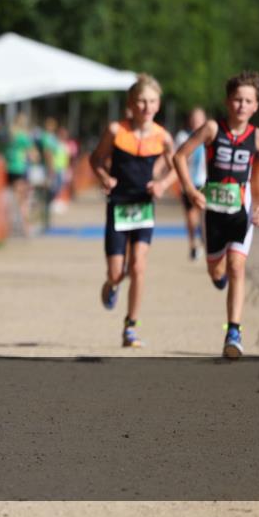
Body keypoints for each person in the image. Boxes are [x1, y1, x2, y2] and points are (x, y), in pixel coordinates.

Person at [173, 70, 259, 359]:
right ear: (227, 102)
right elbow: (179, 156)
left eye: (248, 101)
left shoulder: (258, 137)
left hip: (241, 212)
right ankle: (217, 275)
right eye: (237, 100)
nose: (242, 106)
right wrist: (190, 190)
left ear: (256, 106)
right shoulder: (211, 129)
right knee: (217, 271)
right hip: (214, 214)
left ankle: (233, 331)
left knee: (237, 266)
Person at [89, 75, 175, 348]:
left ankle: (130, 326)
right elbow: (96, 159)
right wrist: (104, 177)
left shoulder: (163, 137)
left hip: (144, 207)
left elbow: (176, 167)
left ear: (158, 104)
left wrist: (162, 183)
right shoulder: (116, 131)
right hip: (119, 205)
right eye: (141, 101)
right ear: (131, 103)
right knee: (117, 272)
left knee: (138, 266)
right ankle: (110, 284)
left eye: (151, 101)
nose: (146, 107)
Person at [174, 108, 208, 260]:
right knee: (190, 217)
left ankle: (205, 243)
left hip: (204, 182)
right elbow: (176, 158)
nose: (196, 122)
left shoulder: (210, 136)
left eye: (199, 119)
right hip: (188, 183)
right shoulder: (182, 137)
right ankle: (193, 244)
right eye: (194, 118)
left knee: (204, 216)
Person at [3, 112, 38, 235]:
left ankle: (12, 225)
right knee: (23, 200)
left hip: (8, 168)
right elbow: (34, 156)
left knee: (12, 198)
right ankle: (26, 228)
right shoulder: (23, 137)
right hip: (20, 169)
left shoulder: (10, 135)